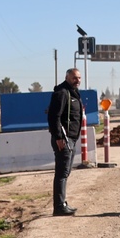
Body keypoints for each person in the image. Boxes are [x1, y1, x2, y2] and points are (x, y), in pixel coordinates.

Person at [47, 68, 83, 216]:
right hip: (64, 140)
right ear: (67, 77)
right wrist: (58, 137)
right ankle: (59, 207)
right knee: (61, 173)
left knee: (65, 172)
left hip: (71, 139)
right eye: (75, 78)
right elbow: (53, 117)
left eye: (79, 78)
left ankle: (62, 202)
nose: (78, 80)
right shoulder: (62, 93)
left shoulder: (72, 93)